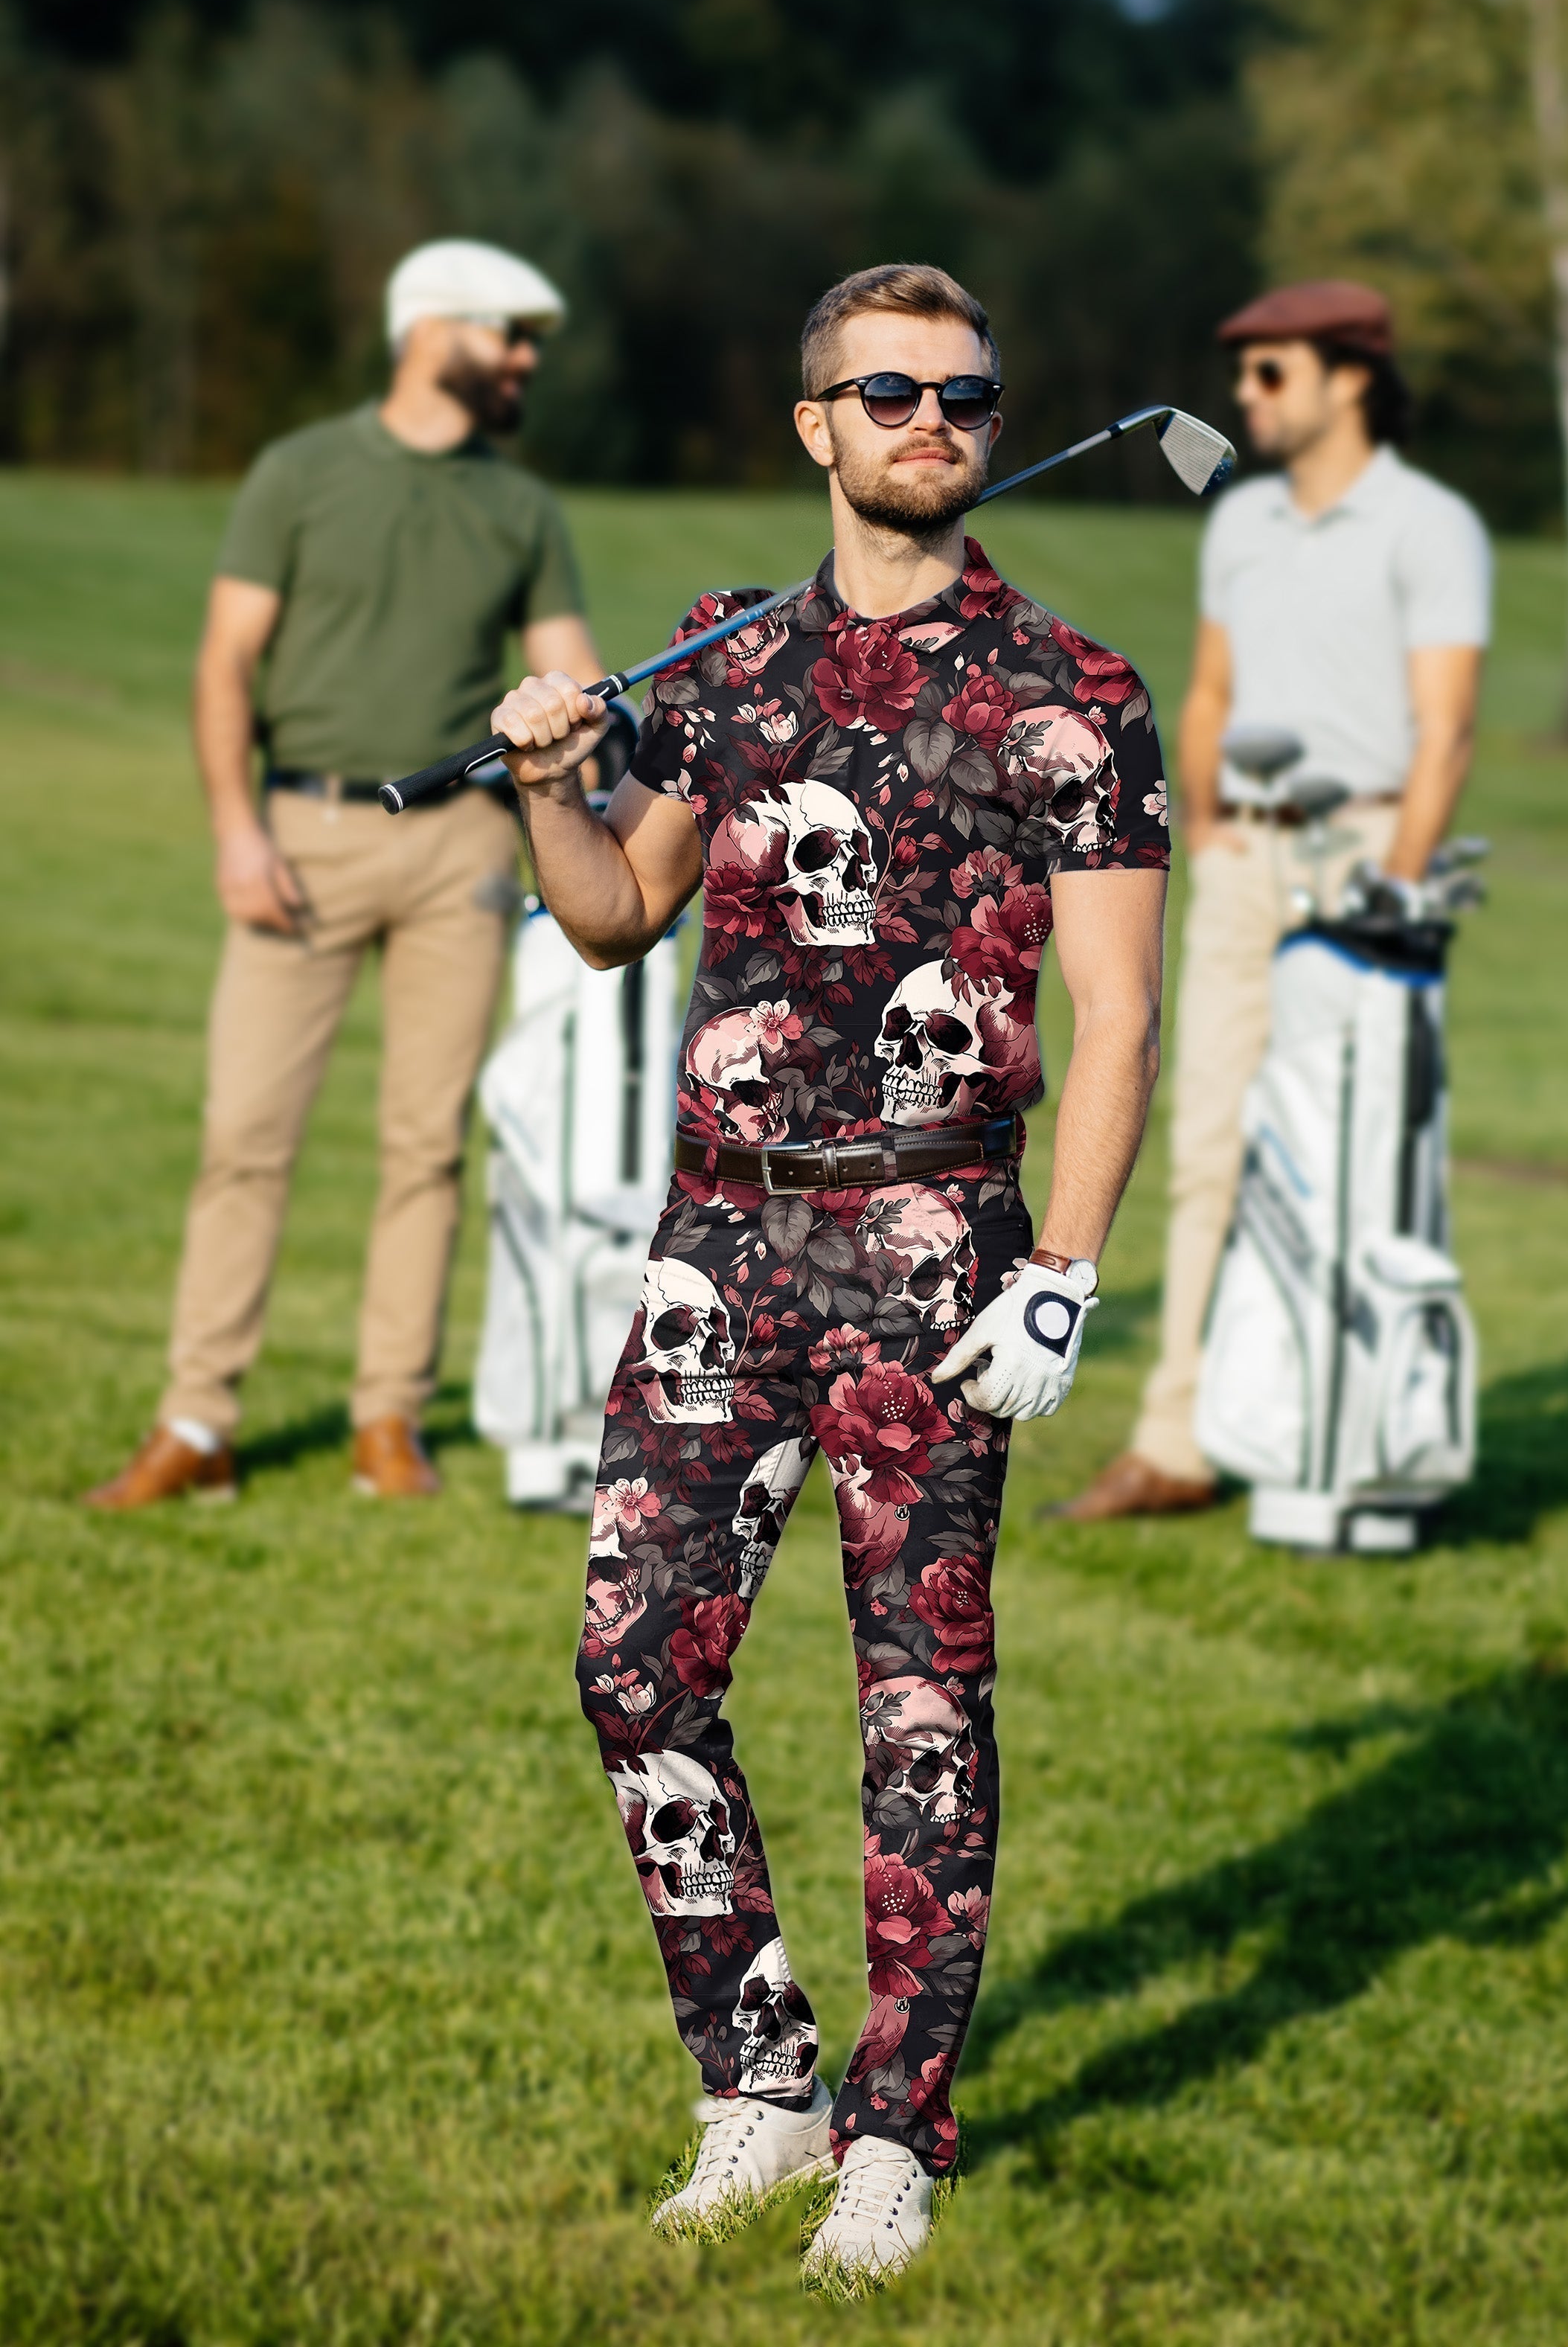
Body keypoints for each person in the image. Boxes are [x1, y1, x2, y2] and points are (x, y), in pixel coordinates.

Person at [488, 263, 1168, 2290]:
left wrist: (1066, 1267)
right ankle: (759, 2078)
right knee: (633, 1665)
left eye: (963, 390)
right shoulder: (720, 666)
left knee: (919, 1710)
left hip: (937, 1238)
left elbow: (1119, 1014)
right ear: (820, 429)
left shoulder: (1078, 687)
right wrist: (546, 776)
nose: (931, 417)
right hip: (722, 1223)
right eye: (888, 390)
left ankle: (897, 2130)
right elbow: (613, 914)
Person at [83, 239, 601, 1511]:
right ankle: (198, 1420)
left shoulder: (522, 506)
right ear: (432, 331)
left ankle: (388, 1423)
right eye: (509, 334)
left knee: (425, 1144)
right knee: (244, 1136)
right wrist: (234, 831)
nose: (527, 359)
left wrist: (601, 731)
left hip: (464, 852)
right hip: (300, 834)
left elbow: (576, 672)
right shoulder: (298, 473)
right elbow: (225, 664)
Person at [1056, 278, 1491, 1524]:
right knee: (1206, 1152)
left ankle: (1345, 1437)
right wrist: (1212, 829)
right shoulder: (1241, 524)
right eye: (1240, 374)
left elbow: (1447, 731)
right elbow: (1208, 696)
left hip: (1365, 857)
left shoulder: (1430, 525)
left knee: (1350, 1159)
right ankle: (1180, 1439)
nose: (1246, 397)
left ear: (1352, 376)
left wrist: (1395, 892)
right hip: (1246, 859)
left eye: (1271, 373)